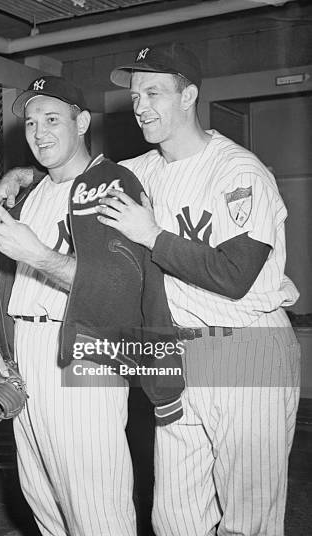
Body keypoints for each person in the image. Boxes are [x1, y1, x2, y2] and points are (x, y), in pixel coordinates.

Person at [93, 43, 301, 536]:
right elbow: (74, 187)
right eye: (135, 93)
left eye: (154, 91)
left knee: (247, 517)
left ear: (188, 96)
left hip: (246, 342)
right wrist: (15, 178)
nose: (140, 104)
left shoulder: (238, 171)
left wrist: (152, 235)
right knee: (175, 516)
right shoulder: (141, 171)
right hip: (180, 348)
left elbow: (235, 276)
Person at [0, 76, 183, 536]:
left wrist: (39, 256)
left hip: (82, 355)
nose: (40, 132)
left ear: (82, 121)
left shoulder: (112, 183)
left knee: (96, 507)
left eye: (52, 119)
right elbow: (2, 287)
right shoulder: (31, 193)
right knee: (43, 500)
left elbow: (120, 288)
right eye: (30, 122)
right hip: (27, 354)